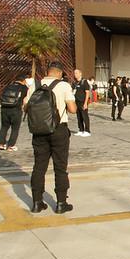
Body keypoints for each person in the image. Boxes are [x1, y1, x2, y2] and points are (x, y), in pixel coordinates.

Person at [25, 61, 77, 214]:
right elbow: (73, 109)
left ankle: (36, 203)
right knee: (60, 168)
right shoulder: (64, 86)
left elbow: (25, 106)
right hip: (59, 130)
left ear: (48, 72)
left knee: (39, 167)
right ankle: (61, 203)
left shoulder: (35, 84)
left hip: (39, 131)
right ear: (60, 73)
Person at [0, 74, 28, 150]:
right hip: (16, 110)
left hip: (4, 108)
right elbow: (25, 100)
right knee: (15, 128)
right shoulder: (24, 88)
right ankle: (11, 146)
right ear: (24, 80)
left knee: (4, 126)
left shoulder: (8, 86)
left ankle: (2, 144)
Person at [72, 69, 91, 137]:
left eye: (76, 73)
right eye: (74, 73)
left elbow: (87, 93)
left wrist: (85, 103)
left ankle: (87, 130)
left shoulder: (84, 82)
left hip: (83, 101)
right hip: (76, 101)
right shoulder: (74, 83)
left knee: (84, 116)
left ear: (80, 74)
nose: (75, 74)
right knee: (79, 116)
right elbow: (73, 91)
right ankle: (81, 129)